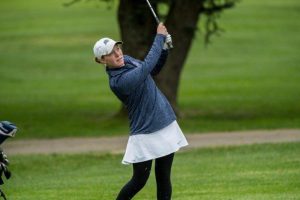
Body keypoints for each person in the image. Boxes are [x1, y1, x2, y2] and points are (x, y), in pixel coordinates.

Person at [93, 23, 188, 200]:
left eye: (118, 49)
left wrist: (165, 49)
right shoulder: (119, 81)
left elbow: (153, 69)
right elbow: (145, 69)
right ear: (102, 60)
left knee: (164, 177)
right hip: (145, 132)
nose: (118, 54)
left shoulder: (127, 59)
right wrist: (159, 38)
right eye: (111, 54)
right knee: (139, 180)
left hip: (164, 121)